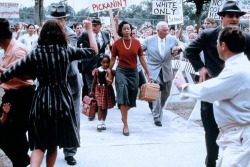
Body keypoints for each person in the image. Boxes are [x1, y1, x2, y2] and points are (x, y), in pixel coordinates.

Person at [0, 19, 96, 167]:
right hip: (62, 100)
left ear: (42, 34)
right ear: (61, 33)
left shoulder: (35, 53)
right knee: (53, 144)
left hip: (41, 100)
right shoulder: (67, 50)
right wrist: (89, 29)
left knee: (39, 144)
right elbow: (93, 51)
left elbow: (8, 74)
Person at [185, 1, 250, 166]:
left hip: (237, 95)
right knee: (212, 135)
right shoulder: (209, 35)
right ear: (222, 18)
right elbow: (190, 51)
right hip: (213, 91)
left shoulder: (245, 38)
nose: (234, 19)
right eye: (230, 16)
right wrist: (201, 68)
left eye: (237, 16)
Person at [46, 4, 98, 165]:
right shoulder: (45, 35)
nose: (55, 22)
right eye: (52, 20)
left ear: (64, 20)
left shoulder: (70, 35)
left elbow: (68, 53)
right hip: (51, 84)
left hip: (71, 83)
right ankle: (51, 147)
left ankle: (70, 151)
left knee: (73, 118)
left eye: (58, 20)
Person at [0, 18, 35, 167]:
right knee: (9, 133)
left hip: (22, 96)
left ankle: (22, 161)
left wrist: (5, 72)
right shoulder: (8, 49)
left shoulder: (17, 50)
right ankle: (21, 160)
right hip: (12, 95)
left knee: (14, 133)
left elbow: (29, 74)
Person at [109, 21, 151, 136]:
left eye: (128, 28)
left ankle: (124, 115)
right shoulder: (117, 43)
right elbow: (112, 59)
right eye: (125, 29)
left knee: (132, 98)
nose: (127, 31)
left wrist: (148, 73)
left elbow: (142, 59)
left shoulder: (137, 43)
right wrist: (108, 70)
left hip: (134, 72)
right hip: (121, 71)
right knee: (122, 95)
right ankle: (126, 125)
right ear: (121, 31)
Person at [141, 21, 181, 127]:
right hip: (153, 71)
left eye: (167, 30)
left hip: (167, 70)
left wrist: (178, 48)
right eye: (164, 30)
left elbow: (181, 45)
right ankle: (157, 117)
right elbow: (139, 51)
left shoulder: (172, 39)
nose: (167, 32)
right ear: (157, 31)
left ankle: (156, 107)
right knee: (156, 92)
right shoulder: (149, 40)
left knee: (165, 93)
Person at [78, 17, 111, 99]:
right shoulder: (85, 34)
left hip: (101, 63)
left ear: (100, 26)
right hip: (88, 63)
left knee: (100, 84)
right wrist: (82, 54)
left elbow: (110, 46)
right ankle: (93, 104)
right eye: (92, 25)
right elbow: (76, 43)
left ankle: (98, 102)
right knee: (91, 85)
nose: (93, 28)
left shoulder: (105, 34)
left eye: (96, 26)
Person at [90, 55, 116, 131]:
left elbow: (111, 81)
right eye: (103, 62)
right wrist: (92, 90)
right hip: (99, 89)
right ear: (100, 62)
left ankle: (103, 122)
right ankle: (99, 123)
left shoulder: (110, 71)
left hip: (107, 90)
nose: (105, 64)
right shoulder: (97, 71)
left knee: (105, 107)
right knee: (100, 107)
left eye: (107, 63)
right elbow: (94, 82)